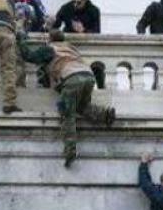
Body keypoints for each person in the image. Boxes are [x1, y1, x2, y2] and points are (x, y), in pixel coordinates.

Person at [18, 29, 116, 165]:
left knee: (67, 112)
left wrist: (21, 40)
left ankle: (70, 150)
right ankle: (105, 115)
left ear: (50, 39)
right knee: (81, 106)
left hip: (71, 79)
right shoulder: (71, 48)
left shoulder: (50, 49)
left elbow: (29, 56)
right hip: (88, 77)